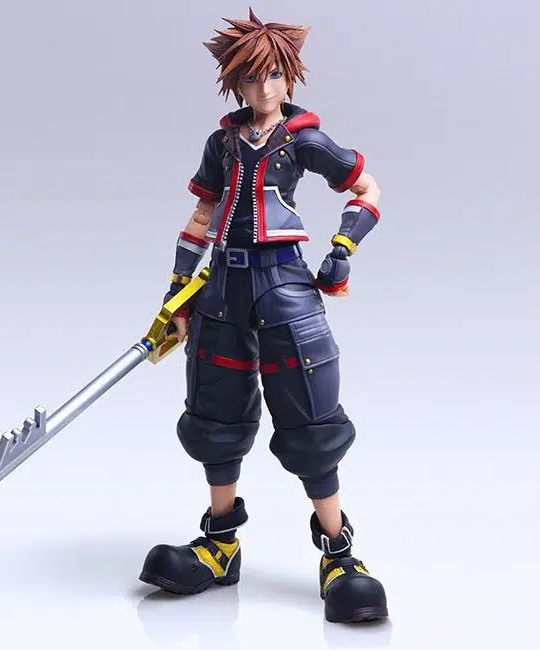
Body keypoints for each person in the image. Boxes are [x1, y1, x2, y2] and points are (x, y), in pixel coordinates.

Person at [139, 8, 388, 624]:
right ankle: (220, 544)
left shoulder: (304, 141)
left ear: (289, 76)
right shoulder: (222, 142)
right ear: (235, 82)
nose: (263, 88)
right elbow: (202, 218)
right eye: (251, 78)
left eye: (273, 75)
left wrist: (343, 248)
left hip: (284, 284)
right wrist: (177, 294)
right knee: (214, 412)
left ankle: (339, 554)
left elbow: (367, 190)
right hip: (222, 286)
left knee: (311, 417)